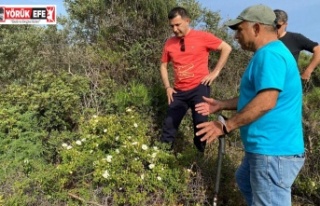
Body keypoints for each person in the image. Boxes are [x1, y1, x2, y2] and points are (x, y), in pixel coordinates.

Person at [195, 4, 305, 205]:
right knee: (244, 180)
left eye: (239, 30)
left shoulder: (270, 55)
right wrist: (222, 104)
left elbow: (266, 102)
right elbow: (258, 96)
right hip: (268, 148)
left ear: (256, 28)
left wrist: (226, 126)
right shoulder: (269, 53)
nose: (236, 37)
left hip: (273, 151)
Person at [160, 6, 232, 152]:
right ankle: (161, 158)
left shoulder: (202, 37)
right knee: (169, 126)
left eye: (177, 25)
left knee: (200, 127)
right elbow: (163, 66)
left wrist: (215, 72)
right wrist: (168, 87)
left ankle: (197, 159)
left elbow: (226, 48)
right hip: (179, 92)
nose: (174, 29)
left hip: (199, 88)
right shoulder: (169, 43)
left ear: (187, 21)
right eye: (172, 26)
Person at [274, 9, 320, 81]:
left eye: (278, 26)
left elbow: (318, 50)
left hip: (289, 85)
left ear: (285, 24)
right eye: (272, 26)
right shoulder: (264, 41)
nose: (275, 29)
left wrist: (308, 71)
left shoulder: (295, 38)